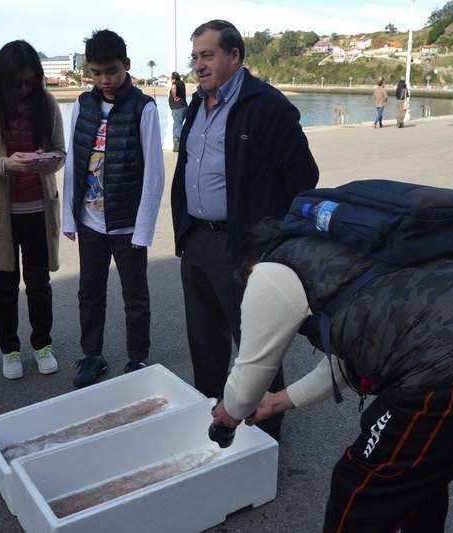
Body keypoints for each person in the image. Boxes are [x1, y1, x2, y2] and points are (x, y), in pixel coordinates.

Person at [211, 219, 453, 532]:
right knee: (419, 469)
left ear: (251, 264)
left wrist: (227, 416)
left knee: (360, 484)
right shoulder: (345, 252)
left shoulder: (271, 271)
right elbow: (347, 363)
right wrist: (278, 401)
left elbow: (249, 374)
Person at [171, 19, 318, 439]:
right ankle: (214, 421)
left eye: (208, 55)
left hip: (244, 248)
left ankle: (266, 434)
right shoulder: (197, 105)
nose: (199, 65)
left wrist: (270, 239)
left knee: (256, 345)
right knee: (205, 343)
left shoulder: (267, 106)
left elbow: (303, 178)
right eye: (195, 56)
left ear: (234, 56)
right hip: (198, 239)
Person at [63, 29, 164, 387]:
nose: (104, 80)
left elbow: (154, 171)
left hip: (127, 225)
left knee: (135, 295)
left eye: (111, 71)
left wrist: (144, 228)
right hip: (90, 221)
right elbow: (75, 164)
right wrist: (69, 217)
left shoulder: (144, 106)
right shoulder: (82, 105)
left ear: (127, 66)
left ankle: (138, 357)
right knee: (89, 292)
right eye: (96, 72)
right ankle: (92, 356)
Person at [0, 40, 65, 380]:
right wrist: (7, 164)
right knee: (4, 285)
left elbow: (60, 152)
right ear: (3, 78)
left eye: (31, 81)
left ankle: (42, 344)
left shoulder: (47, 102)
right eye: (18, 83)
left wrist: (48, 160)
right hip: (0, 213)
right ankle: (9, 350)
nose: (25, 89)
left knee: (39, 282)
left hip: (39, 209)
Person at [168, 71, 187, 152]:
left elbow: (173, 88)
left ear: (173, 78)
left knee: (177, 125)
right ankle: (177, 143)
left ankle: (181, 143)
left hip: (177, 108)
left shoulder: (175, 83)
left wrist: (175, 97)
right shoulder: (182, 83)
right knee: (177, 125)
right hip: (184, 106)